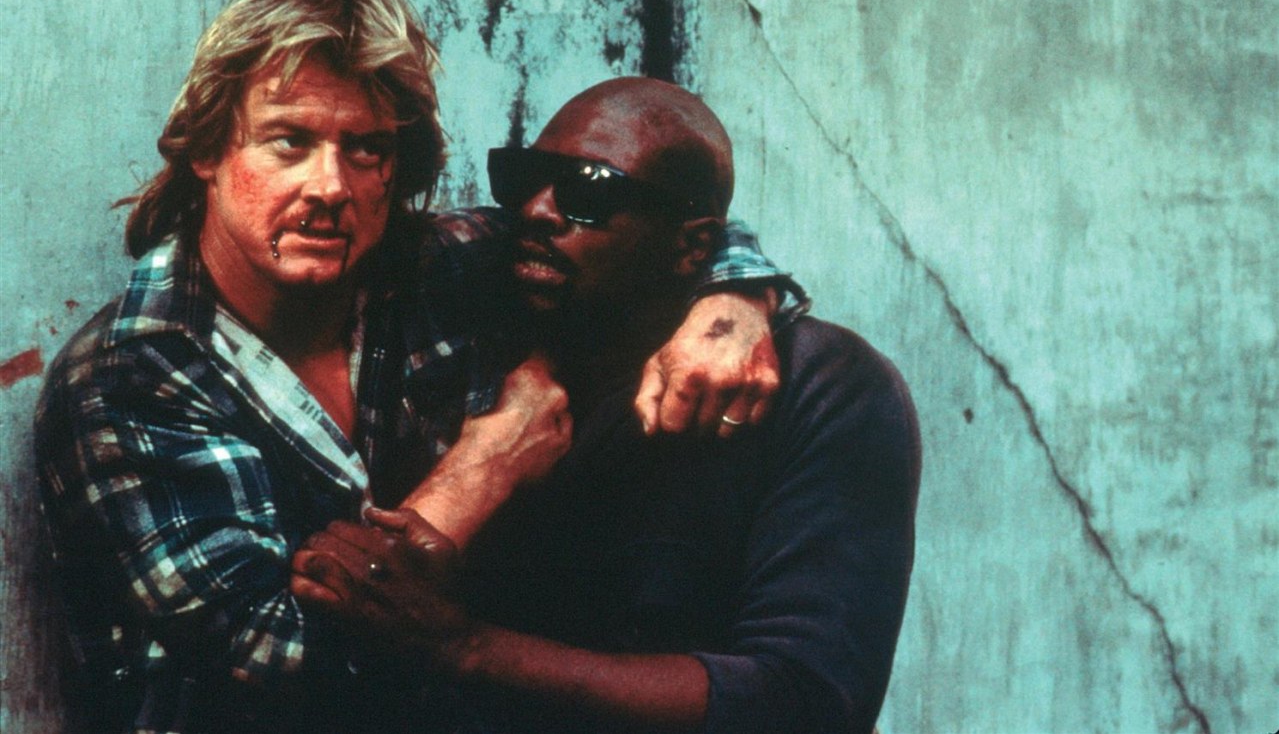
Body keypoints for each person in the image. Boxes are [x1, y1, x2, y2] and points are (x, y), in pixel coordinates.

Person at [33, 0, 798, 733]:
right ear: (207, 149)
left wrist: (730, 305)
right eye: (289, 141)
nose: (329, 186)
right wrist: (483, 468)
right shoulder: (129, 377)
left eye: (365, 149)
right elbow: (281, 656)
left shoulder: (434, 269)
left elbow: (649, 236)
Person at [293, 78, 922, 733]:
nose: (537, 210)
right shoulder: (477, 327)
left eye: (588, 191)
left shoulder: (823, 385)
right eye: (522, 178)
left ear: (692, 247)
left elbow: (805, 699)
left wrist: (462, 647)